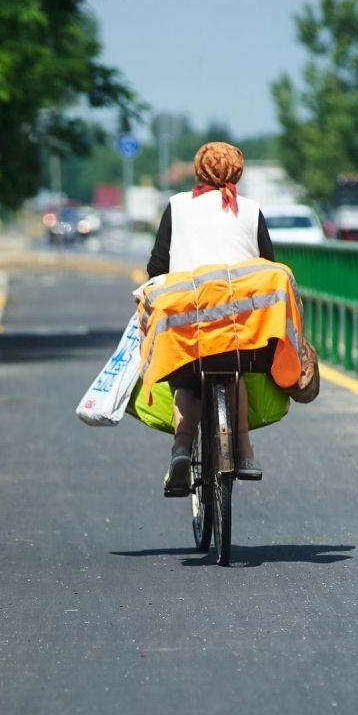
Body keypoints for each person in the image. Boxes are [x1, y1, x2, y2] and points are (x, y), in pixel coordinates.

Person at [146, 141, 276, 496]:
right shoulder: (250, 210)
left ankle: (181, 450)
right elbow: (268, 266)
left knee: (187, 383)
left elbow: (157, 267)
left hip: (187, 324)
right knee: (233, 375)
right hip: (238, 326)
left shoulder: (177, 206)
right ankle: (245, 454)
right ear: (238, 172)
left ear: (198, 170)